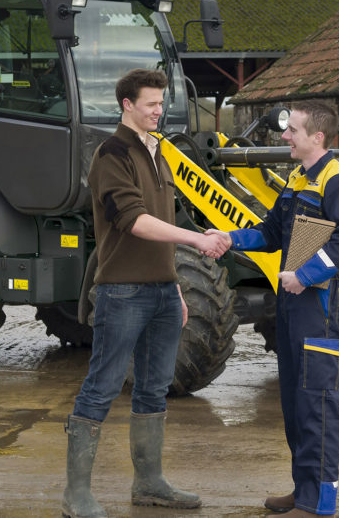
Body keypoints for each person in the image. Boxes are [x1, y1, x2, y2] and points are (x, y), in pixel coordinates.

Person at [61, 68, 230, 518]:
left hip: (159, 292)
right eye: (151, 104)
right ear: (127, 106)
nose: (160, 110)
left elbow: (160, 225)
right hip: (122, 293)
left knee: (154, 390)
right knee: (101, 387)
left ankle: (150, 483)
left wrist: (174, 283)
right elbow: (133, 220)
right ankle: (76, 495)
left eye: (161, 103)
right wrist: (196, 240)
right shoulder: (111, 154)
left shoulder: (160, 154)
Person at [209, 100, 339, 517]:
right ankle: (301, 492)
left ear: (317, 137)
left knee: (318, 402)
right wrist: (228, 238)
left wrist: (307, 274)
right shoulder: (298, 177)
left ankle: (319, 504)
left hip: (321, 305)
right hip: (294, 305)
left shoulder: (338, 181)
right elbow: (272, 231)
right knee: (296, 405)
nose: (284, 136)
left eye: (292, 130)